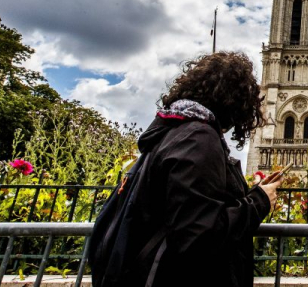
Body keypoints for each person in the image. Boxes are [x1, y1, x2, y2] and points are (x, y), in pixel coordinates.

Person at [114, 52, 281, 287]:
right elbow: (198, 235)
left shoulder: (172, 132)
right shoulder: (198, 139)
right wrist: (260, 201)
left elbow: (189, 206)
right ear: (234, 100)